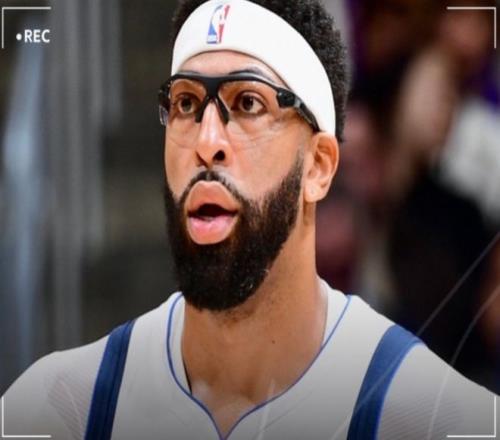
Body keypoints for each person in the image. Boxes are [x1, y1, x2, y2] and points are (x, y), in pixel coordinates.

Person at [2, 1, 497, 439]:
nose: (206, 141)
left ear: (318, 167)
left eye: (247, 103)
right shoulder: (56, 411)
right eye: (186, 104)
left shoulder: (434, 418)